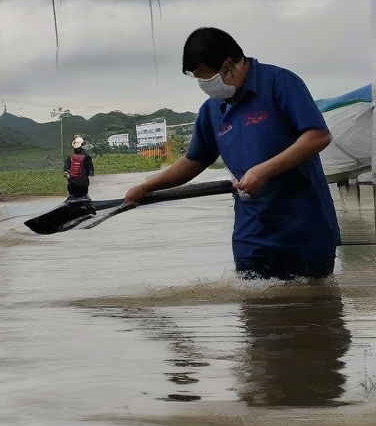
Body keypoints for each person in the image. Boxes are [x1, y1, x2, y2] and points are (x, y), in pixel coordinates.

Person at [125, 27, 339, 280]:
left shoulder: (279, 83)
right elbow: (194, 160)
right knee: (254, 311)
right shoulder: (211, 110)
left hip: (303, 229)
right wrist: (146, 187)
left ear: (228, 66)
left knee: (314, 310)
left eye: (206, 79)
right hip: (251, 234)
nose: (205, 87)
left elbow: (317, 136)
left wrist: (263, 170)